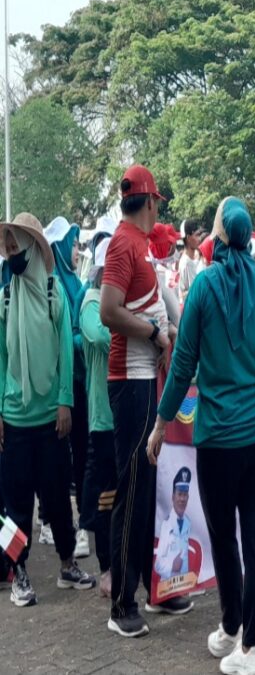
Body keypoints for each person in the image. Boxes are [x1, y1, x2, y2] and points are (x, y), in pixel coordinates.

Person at [148, 197, 255, 675]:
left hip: (219, 438)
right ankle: (238, 635)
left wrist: (161, 423)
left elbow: (182, 364)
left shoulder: (205, 287)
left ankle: (244, 644)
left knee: (225, 538)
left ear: (219, 237)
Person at [100, 165, 191, 637]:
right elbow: (108, 310)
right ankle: (122, 604)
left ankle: (154, 587)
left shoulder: (137, 244)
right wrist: (156, 333)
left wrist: (164, 332)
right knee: (133, 491)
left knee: (148, 488)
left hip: (144, 379)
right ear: (151, 202)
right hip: (131, 380)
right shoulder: (123, 244)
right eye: (158, 203)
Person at [0, 213, 96, 607]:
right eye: (7, 248)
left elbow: (64, 354)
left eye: (16, 246)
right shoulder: (5, 298)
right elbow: (1, 359)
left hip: (50, 418)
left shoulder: (55, 294)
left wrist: (64, 401)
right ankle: (18, 571)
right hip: (14, 419)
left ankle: (67, 564)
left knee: (57, 498)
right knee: (16, 505)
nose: (11, 254)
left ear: (33, 248)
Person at [44, 215, 92, 560]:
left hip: (82, 382)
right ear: (60, 248)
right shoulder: (54, 286)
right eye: (73, 244)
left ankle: (79, 523)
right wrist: (85, 337)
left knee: (82, 454)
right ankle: (61, 523)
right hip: (64, 386)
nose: (77, 250)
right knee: (66, 459)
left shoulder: (76, 281)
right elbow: (63, 337)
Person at [79, 237, 116, 597]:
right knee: (106, 498)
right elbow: (102, 337)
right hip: (103, 418)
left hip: (127, 415)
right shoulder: (91, 303)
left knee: (126, 496)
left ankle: (124, 564)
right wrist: (138, 329)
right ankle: (106, 568)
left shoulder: (122, 303)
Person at [154, 467, 193, 581]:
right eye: (179, 494)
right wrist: (172, 566)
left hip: (185, 583)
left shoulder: (188, 523)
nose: (182, 499)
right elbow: (157, 564)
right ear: (173, 497)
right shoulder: (166, 525)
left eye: (185, 495)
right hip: (168, 584)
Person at [177, 219, 206, 302]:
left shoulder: (196, 256)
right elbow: (182, 294)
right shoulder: (185, 263)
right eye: (196, 235)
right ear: (189, 238)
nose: (199, 239)